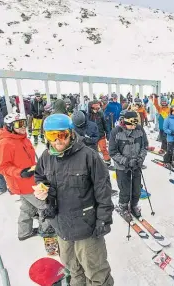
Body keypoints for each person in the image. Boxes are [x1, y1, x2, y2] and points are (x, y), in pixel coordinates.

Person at [34, 114, 114, 286]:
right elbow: (40, 176)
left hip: (86, 227)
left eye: (61, 135)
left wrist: (103, 220)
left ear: (71, 133)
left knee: (96, 272)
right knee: (73, 270)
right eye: (51, 136)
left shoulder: (89, 156)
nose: (57, 141)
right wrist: (43, 189)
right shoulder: (46, 156)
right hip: (61, 226)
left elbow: (103, 192)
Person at [0, 113, 53, 240]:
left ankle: (24, 232)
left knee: (27, 208)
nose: (23, 127)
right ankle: (46, 230)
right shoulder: (5, 144)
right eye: (19, 124)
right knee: (44, 205)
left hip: (31, 179)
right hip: (22, 183)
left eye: (24, 123)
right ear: (10, 126)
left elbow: (27, 159)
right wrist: (20, 172)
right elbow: (2, 167)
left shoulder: (22, 138)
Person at [108, 111, 148, 218]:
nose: (133, 127)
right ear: (124, 122)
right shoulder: (116, 132)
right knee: (125, 189)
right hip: (122, 167)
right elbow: (112, 152)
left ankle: (134, 205)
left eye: (135, 124)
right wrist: (125, 161)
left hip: (136, 165)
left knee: (137, 189)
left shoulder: (139, 130)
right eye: (131, 124)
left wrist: (140, 158)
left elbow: (145, 146)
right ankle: (123, 206)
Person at [88, 100, 111, 165]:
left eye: (98, 108)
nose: (96, 110)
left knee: (103, 148)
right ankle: (94, 163)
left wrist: (108, 133)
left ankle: (107, 161)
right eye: (94, 108)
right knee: (93, 150)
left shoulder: (100, 114)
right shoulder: (88, 116)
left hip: (101, 135)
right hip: (92, 136)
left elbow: (105, 124)